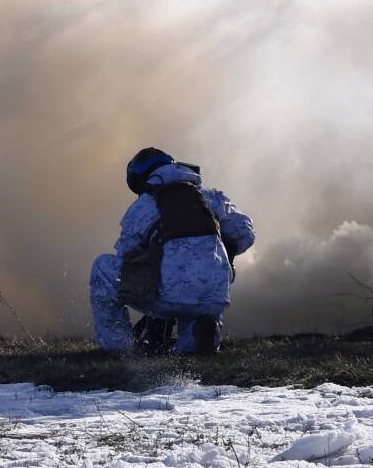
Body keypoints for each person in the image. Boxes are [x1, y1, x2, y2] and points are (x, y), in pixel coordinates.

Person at [89, 148, 255, 355]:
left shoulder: (142, 206)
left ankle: (120, 349)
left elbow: (127, 258)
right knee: (190, 348)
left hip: (168, 297)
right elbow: (245, 235)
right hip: (215, 298)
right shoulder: (212, 197)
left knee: (102, 268)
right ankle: (199, 336)